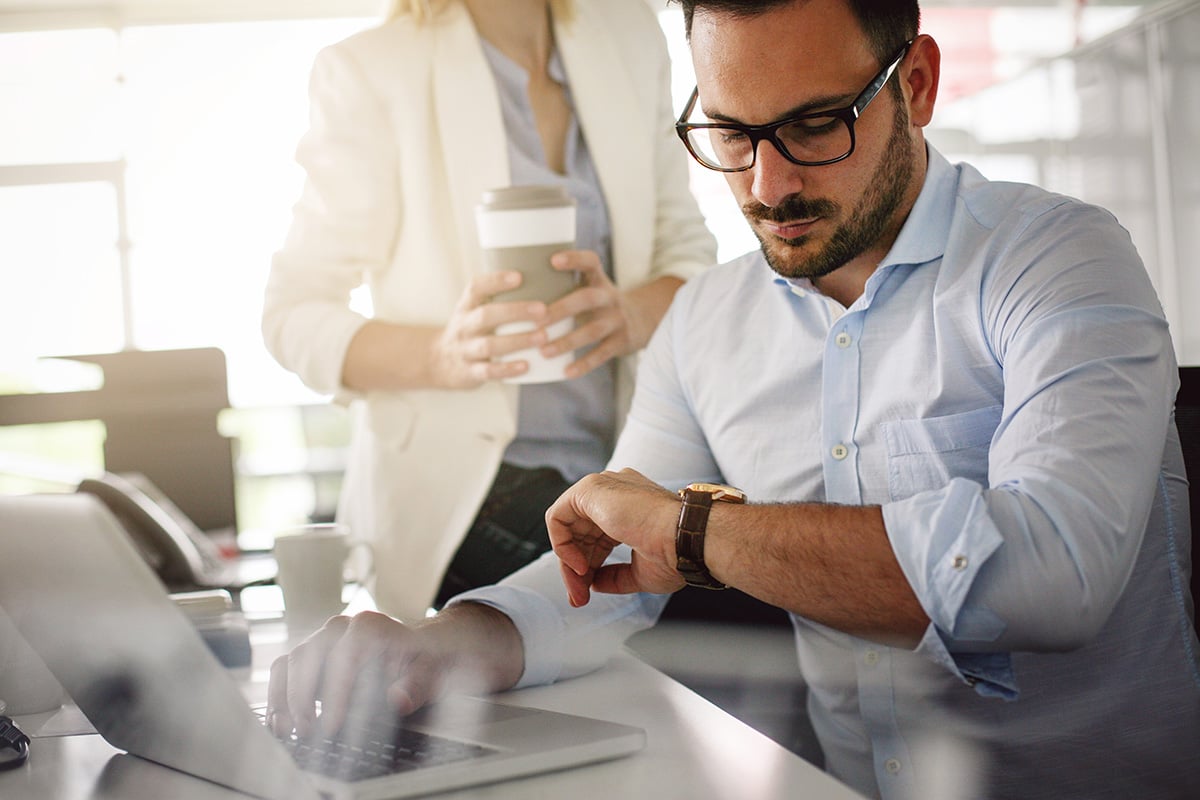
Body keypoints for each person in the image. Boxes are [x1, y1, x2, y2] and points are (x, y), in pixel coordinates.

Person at [266, 1, 1200, 798]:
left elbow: (1051, 579)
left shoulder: (1061, 260)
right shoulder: (708, 321)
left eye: (815, 126)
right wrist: (443, 644)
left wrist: (694, 535)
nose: (768, 183)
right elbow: (611, 567)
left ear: (915, 84)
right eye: (731, 133)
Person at [261, 0, 716, 621]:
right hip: (470, 493)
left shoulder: (629, 34)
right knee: (631, 612)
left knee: (739, 589)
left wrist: (630, 315)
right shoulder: (373, 69)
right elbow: (293, 314)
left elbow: (688, 254)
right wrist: (445, 357)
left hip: (623, 467)